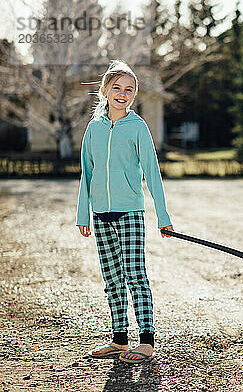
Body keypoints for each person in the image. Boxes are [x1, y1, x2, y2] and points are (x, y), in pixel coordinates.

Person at [76, 60, 173, 364]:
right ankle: (119, 340)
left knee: (135, 274)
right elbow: (86, 172)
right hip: (100, 214)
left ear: (134, 95)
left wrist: (163, 217)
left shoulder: (137, 127)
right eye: (116, 87)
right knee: (112, 278)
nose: (122, 93)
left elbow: (152, 173)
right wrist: (83, 214)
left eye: (129, 89)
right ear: (104, 90)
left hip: (129, 212)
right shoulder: (94, 128)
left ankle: (146, 340)